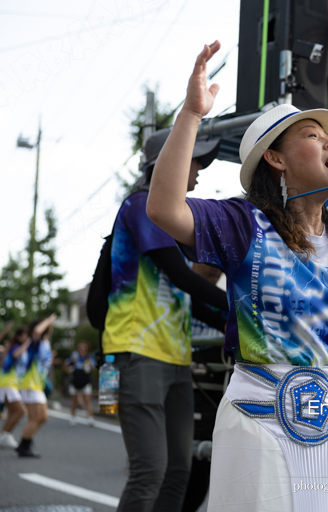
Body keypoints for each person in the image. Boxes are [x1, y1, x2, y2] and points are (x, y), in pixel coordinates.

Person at [146, 41, 328, 512]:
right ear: (276, 159)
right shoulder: (243, 223)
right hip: (258, 413)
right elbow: (163, 209)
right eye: (313, 136)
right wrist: (192, 114)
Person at [102, 125, 230, 511]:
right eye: (194, 160)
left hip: (175, 358)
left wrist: (240, 324)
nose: (199, 170)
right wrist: (240, 309)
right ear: (165, 164)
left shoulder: (173, 223)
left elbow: (184, 299)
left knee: (180, 472)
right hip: (137, 353)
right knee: (149, 472)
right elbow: (181, 276)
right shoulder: (141, 205)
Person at [17, 314, 57, 457]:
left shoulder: (45, 343)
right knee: (37, 418)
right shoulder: (36, 341)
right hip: (30, 384)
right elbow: (37, 331)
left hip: (36, 385)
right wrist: (48, 320)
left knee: (42, 418)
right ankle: (23, 446)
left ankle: (25, 443)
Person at [0, 325, 28, 449]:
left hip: (13, 384)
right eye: (26, 335)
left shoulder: (21, 348)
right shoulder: (16, 347)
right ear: (19, 337)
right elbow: (15, 355)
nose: (28, 337)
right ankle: (4, 436)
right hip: (8, 383)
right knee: (20, 411)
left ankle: (5, 435)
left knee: (14, 412)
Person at [65, 340, 96, 427]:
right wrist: (69, 369)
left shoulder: (89, 358)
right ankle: (72, 417)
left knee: (87, 400)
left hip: (85, 381)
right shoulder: (74, 357)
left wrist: (90, 365)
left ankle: (90, 419)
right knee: (74, 400)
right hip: (75, 381)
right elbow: (66, 365)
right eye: (80, 348)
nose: (82, 350)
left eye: (84, 348)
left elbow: (93, 369)